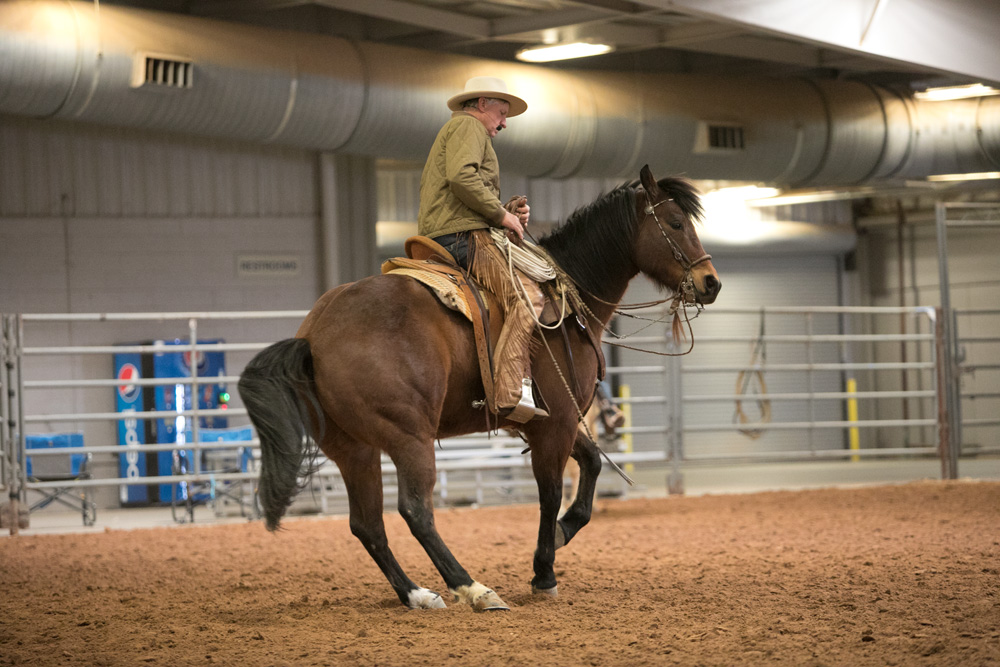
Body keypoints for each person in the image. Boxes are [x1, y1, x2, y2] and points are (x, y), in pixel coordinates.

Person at [417, 76, 546, 423]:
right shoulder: (469, 126)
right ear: (482, 104)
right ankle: (510, 390)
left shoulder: (459, 130)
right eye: (501, 113)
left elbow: (460, 188)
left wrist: (505, 210)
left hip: (451, 229)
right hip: (463, 237)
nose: (504, 123)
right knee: (529, 297)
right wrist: (502, 215)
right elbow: (463, 177)